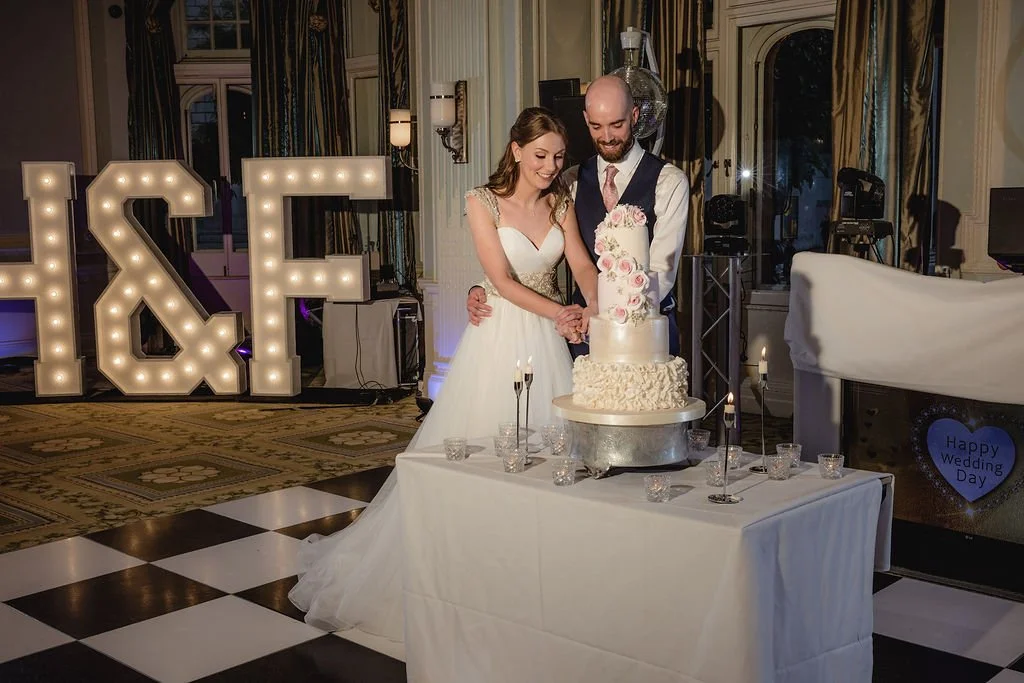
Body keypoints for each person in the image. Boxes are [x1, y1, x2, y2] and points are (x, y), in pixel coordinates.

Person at [288, 107, 599, 642]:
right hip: (502, 336)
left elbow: (582, 265)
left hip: (549, 341)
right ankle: (472, 578)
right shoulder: (480, 201)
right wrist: (561, 313)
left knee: (553, 455)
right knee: (488, 452)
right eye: (541, 155)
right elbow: (498, 280)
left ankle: (536, 577)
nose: (550, 167)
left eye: (559, 157)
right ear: (517, 149)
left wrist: (591, 308)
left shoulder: (561, 202)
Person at [467, 75, 690, 357]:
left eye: (616, 125)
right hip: (579, 332)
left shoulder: (669, 182)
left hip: (643, 329)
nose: (607, 136)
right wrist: (482, 286)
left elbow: (661, 271)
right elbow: (525, 249)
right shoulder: (568, 182)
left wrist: (608, 313)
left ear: (634, 116)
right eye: (596, 126)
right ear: (585, 119)